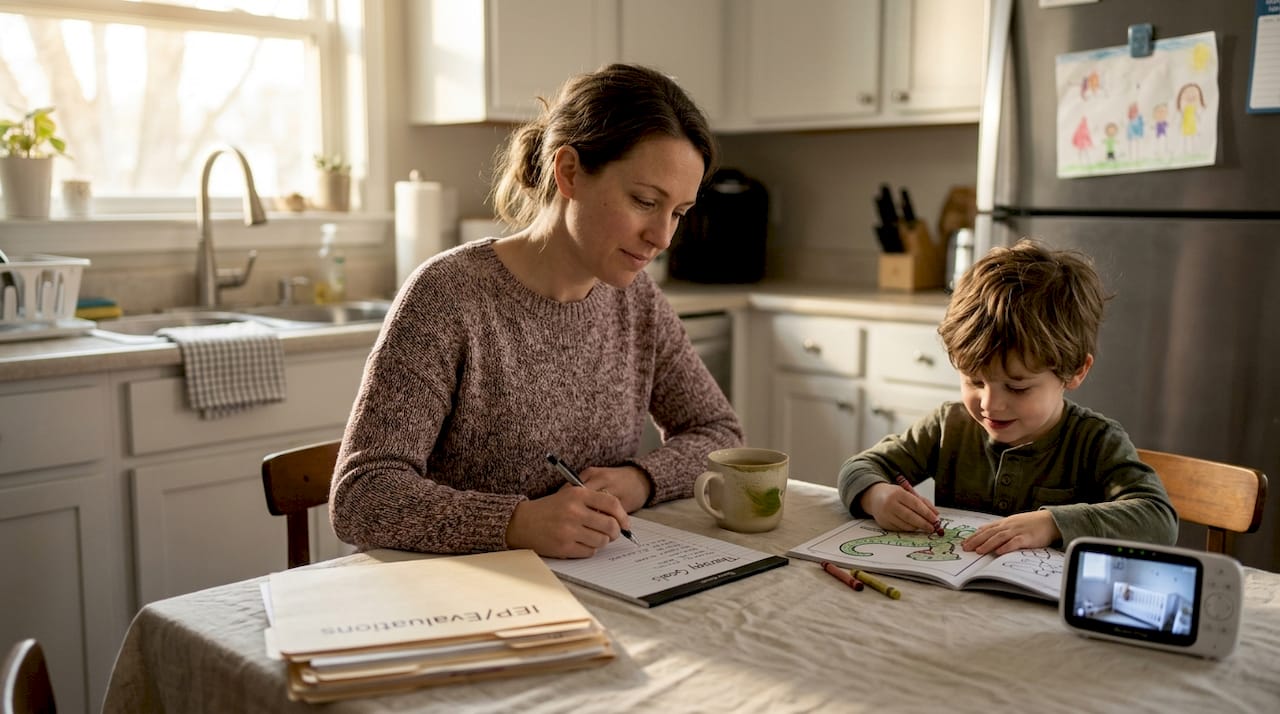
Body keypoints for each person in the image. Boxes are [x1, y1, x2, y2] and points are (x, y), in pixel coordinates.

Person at [330, 63, 743, 558]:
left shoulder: (637, 300)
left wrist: (642, 478)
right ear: (569, 172)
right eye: (643, 201)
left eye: (677, 213)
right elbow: (362, 495)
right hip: (461, 597)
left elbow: (719, 433)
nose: (662, 237)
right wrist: (516, 523)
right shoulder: (447, 296)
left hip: (592, 587)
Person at [837, 239, 1177, 555]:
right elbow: (859, 467)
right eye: (974, 381)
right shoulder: (947, 426)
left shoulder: (1096, 442)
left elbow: (1158, 519)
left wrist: (1052, 524)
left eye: (1017, 387)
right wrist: (877, 496)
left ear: (1075, 371)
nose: (989, 404)